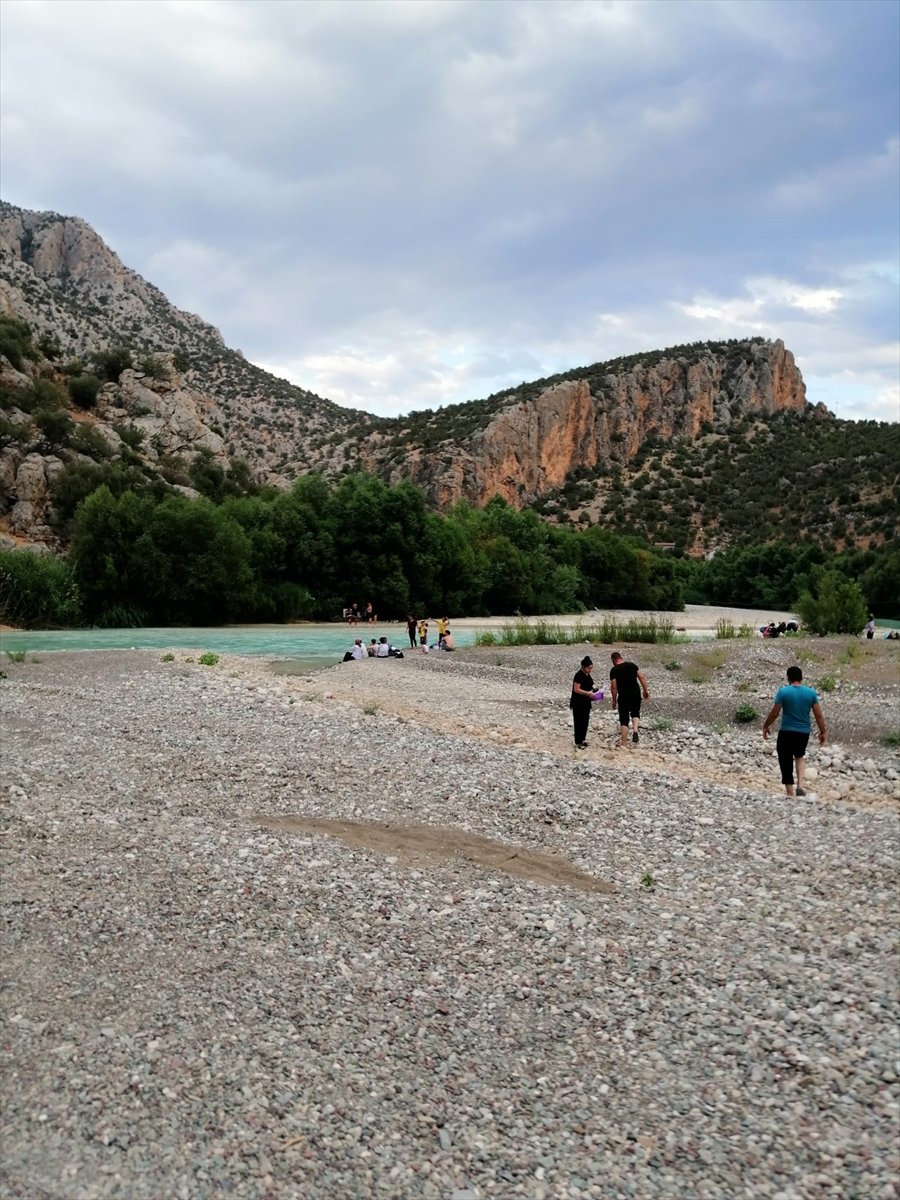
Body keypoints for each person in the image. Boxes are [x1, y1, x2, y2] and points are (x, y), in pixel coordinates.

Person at [762, 666, 826, 797]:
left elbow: (775, 713)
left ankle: (789, 791)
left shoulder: (783, 692)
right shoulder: (811, 693)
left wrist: (766, 725)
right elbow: (818, 715)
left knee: (785, 759)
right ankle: (800, 785)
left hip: (786, 731)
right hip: (803, 732)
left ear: (788, 677)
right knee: (799, 755)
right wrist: (823, 731)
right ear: (801, 678)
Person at [609, 651, 650, 747]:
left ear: (613, 660)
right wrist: (645, 690)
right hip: (635, 693)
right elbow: (642, 677)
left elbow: (614, 687)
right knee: (635, 712)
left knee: (624, 719)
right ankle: (635, 729)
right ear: (621, 657)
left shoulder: (614, 670)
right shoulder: (632, 665)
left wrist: (614, 700)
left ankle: (623, 743)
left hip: (624, 696)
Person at [570, 655, 599, 749]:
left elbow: (591, 683)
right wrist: (587, 693)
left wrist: (595, 689)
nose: (590, 670)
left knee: (585, 721)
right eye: (589, 668)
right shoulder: (578, 675)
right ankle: (578, 741)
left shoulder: (587, 675)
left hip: (586, 701)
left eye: (591, 668)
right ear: (583, 667)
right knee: (579, 721)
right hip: (578, 701)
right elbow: (576, 689)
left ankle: (583, 739)